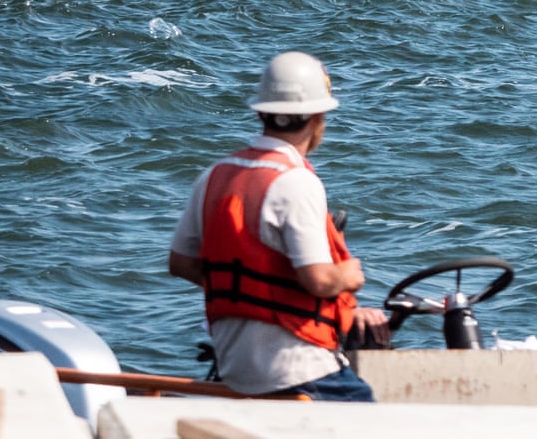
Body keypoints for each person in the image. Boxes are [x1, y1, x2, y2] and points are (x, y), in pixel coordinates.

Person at [167, 51, 389, 400]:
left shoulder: (214, 175)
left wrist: (250, 296)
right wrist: (351, 275)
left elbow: (180, 263)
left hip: (233, 365)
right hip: (296, 368)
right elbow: (318, 279)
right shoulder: (297, 182)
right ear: (318, 118)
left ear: (262, 112)